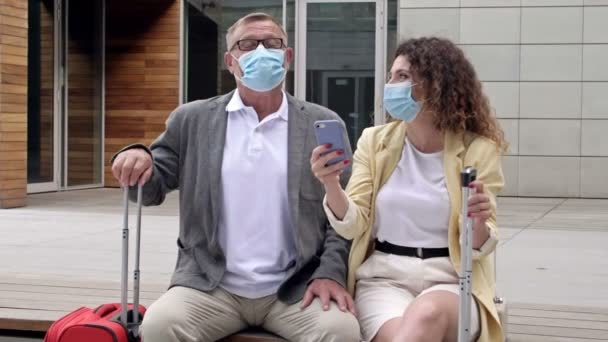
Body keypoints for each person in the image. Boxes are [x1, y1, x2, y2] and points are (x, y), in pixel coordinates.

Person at [111, 12, 360, 342]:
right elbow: (154, 185)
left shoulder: (320, 123)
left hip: (296, 287)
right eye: (247, 44)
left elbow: (343, 217)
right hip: (210, 286)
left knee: (340, 331)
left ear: (287, 57)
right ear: (230, 61)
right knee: (160, 326)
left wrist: (330, 273)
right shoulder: (193, 119)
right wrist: (136, 156)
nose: (260, 51)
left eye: (272, 44)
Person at [310, 37, 507, 342]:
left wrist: (479, 221)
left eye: (402, 76)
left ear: (435, 85)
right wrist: (331, 183)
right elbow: (353, 225)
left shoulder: (478, 150)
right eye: (391, 76)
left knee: (425, 315)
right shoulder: (375, 142)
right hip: (384, 281)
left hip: (451, 280)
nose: (391, 85)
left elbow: (478, 246)